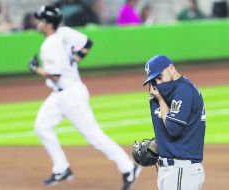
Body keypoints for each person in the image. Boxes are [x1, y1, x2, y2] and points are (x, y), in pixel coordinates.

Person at [29, 5, 142, 189]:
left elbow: (55, 75)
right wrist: (74, 60)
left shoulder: (49, 45)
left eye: (40, 20)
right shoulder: (64, 32)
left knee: (94, 136)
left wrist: (36, 69)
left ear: (48, 24)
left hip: (71, 95)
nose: (37, 22)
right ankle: (62, 168)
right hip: (60, 96)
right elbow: (87, 43)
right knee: (42, 126)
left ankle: (129, 168)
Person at [143, 55, 206, 190]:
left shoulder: (184, 91)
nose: (158, 83)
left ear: (171, 69)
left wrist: (160, 100)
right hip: (173, 170)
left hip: (181, 169)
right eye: (153, 80)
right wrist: (158, 144)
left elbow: (174, 129)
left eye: (160, 77)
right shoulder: (166, 91)